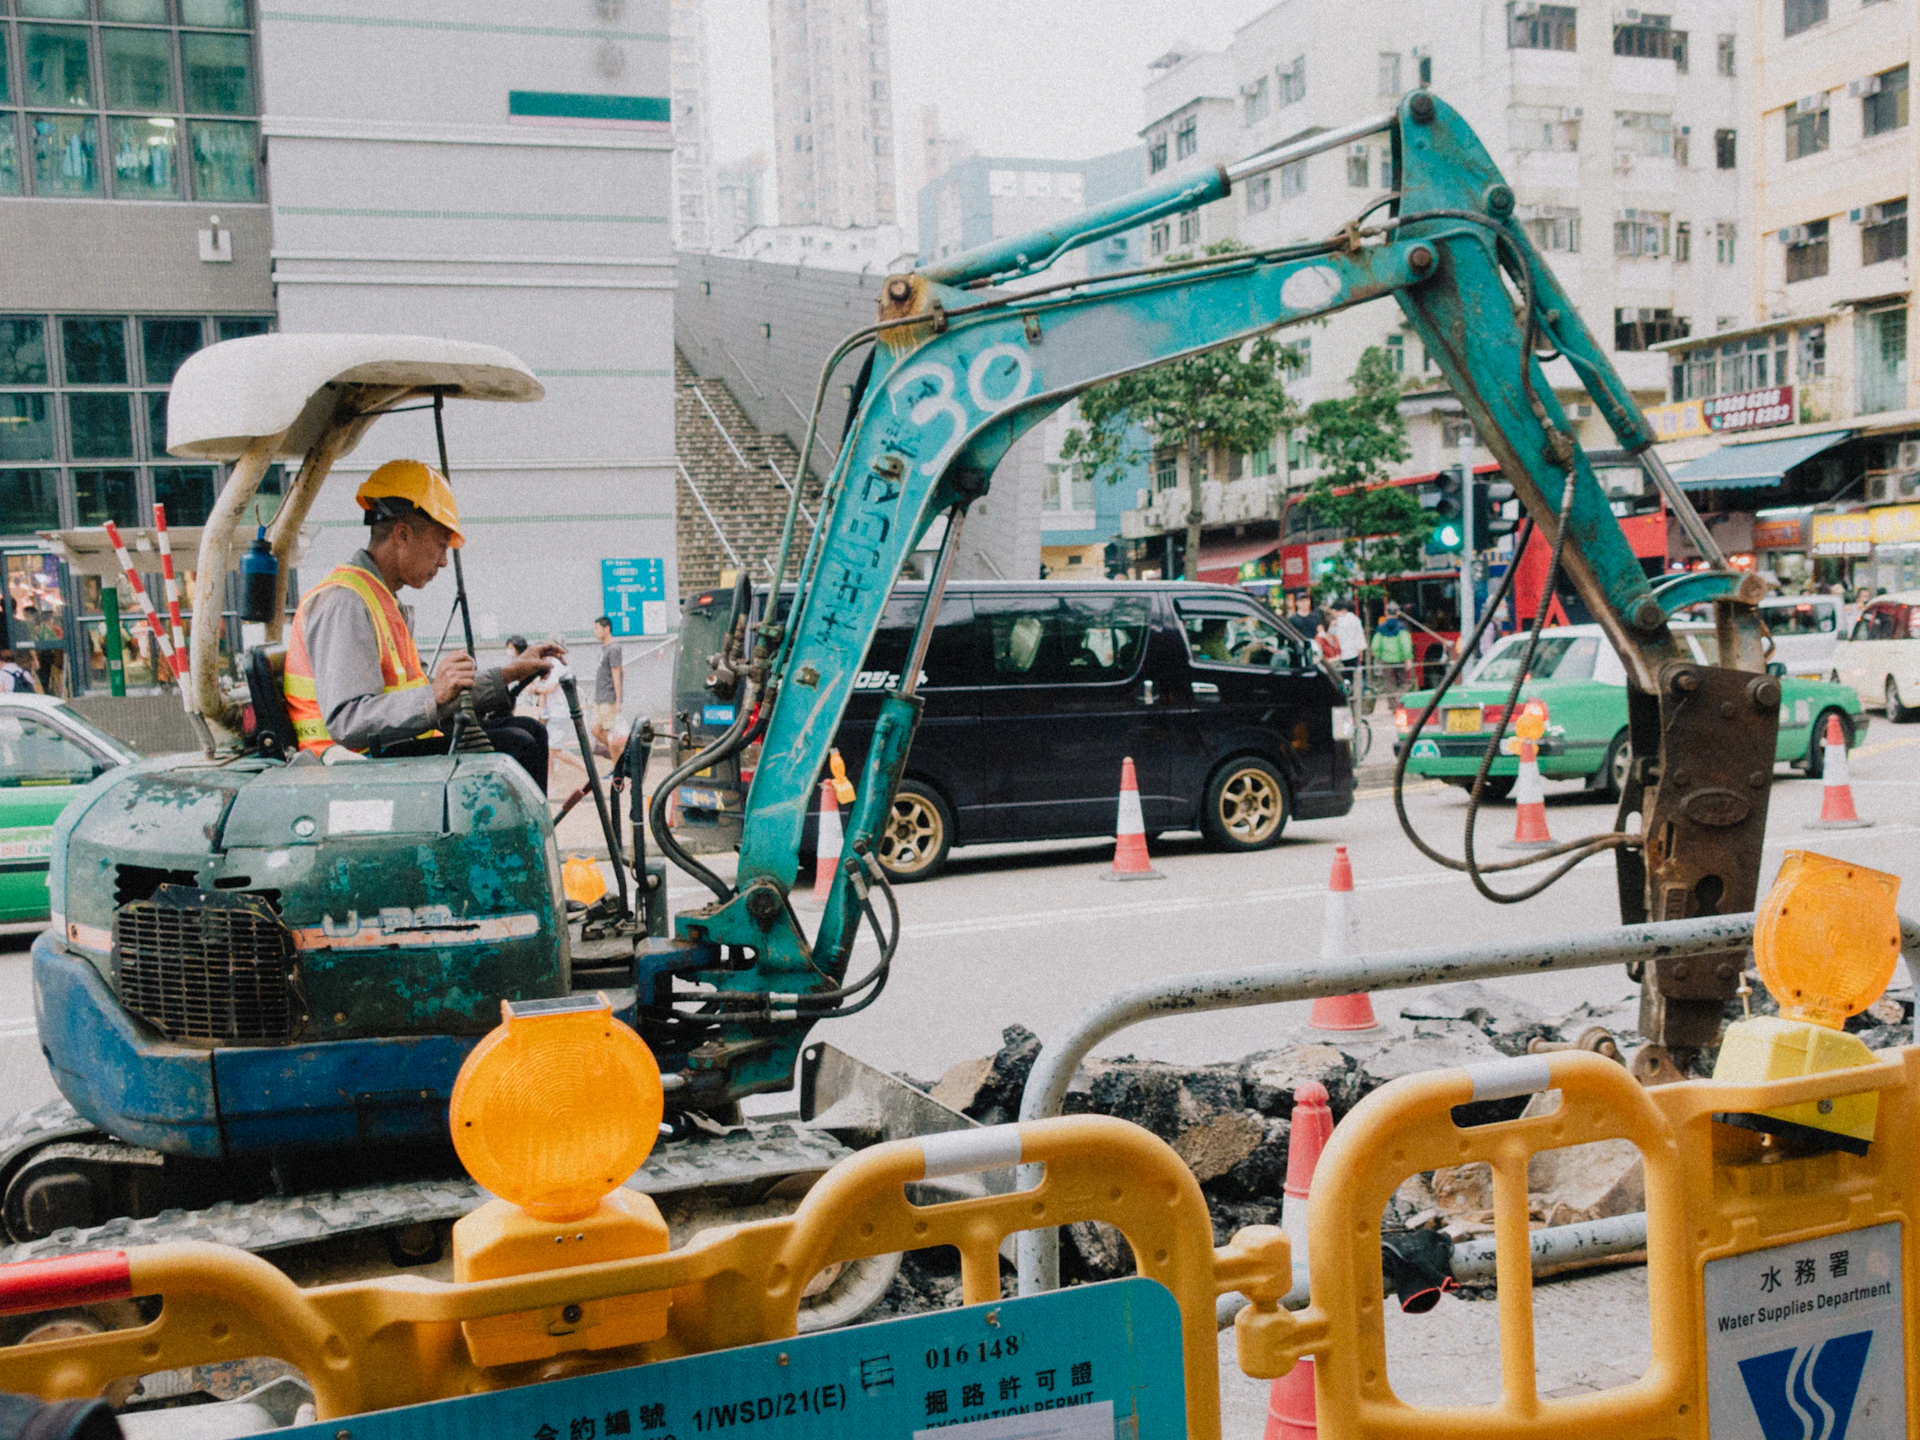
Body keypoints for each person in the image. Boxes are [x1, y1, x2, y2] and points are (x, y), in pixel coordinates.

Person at [283, 459, 563, 790]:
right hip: (351, 769)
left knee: (529, 732)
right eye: (441, 544)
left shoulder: (382, 599)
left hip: (384, 752)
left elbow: (428, 696)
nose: (444, 560)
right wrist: (434, 694)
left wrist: (510, 673)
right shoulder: (346, 601)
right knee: (516, 746)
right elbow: (347, 721)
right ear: (402, 534)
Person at [591, 615, 625, 764]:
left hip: (608, 699)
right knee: (595, 730)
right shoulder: (604, 649)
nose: (595, 632)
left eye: (597, 628)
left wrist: (618, 700)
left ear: (607, 628)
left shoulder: (614, 648)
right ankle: (621, 758)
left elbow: (616, 675)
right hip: (600, 698)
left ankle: (618, 768)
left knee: (611, 737)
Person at [1369, 602, 1414, 706]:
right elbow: (1406, 644)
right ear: (1398, 613)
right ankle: (1400, 700)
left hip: (1385, 660)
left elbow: (1375, 645)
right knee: (1404, 682)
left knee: (1389, 683)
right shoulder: (1402, 627)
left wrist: (1379, 656)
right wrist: (1408, 658)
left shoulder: (1380, 628)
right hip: (1400, 659)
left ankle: (1393, 706)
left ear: (1386, 612)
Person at [1329, 599, 1367, 689]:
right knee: (1354, 676)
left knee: (1343, 677)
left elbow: (1331, 634)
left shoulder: (1338, 621)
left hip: (1340, 654)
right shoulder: (1355, 619)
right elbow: (1360, 636)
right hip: (1353, 653)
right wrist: (1360, 651)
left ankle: (1346, 694)